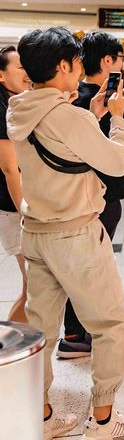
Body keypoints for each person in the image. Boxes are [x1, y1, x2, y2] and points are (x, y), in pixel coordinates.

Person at [8, 27, 124, 440]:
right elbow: (117, 163)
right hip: (76, 235)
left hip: (36, 232)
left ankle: (42, 414)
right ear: (64, 65)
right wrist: (118, 120)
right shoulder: (70, 115)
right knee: (110, 323)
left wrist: (95, 117)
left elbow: (58, 145)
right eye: (76, 62)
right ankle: (104, 422)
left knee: (41, 329)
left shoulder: (18, 108)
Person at [59, 33, 124, 361]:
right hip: (103, 198)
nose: (122, 64)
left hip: (74, 195)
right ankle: (77, 334)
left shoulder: (75, 100)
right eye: (119, 59)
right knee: (90, 269)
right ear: (107, 62)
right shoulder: (99, 104)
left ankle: (75, 331)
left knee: (78, 265)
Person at [0, 46, 31, 323]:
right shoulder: (2, 110)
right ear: (1, 75)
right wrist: (25, 214)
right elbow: (10, 168)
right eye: (20, 67)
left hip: (18, 204)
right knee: (32, 286)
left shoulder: (17, 103)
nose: (26, 72)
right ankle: (9, 347)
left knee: (31, 286)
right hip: (12, 207)